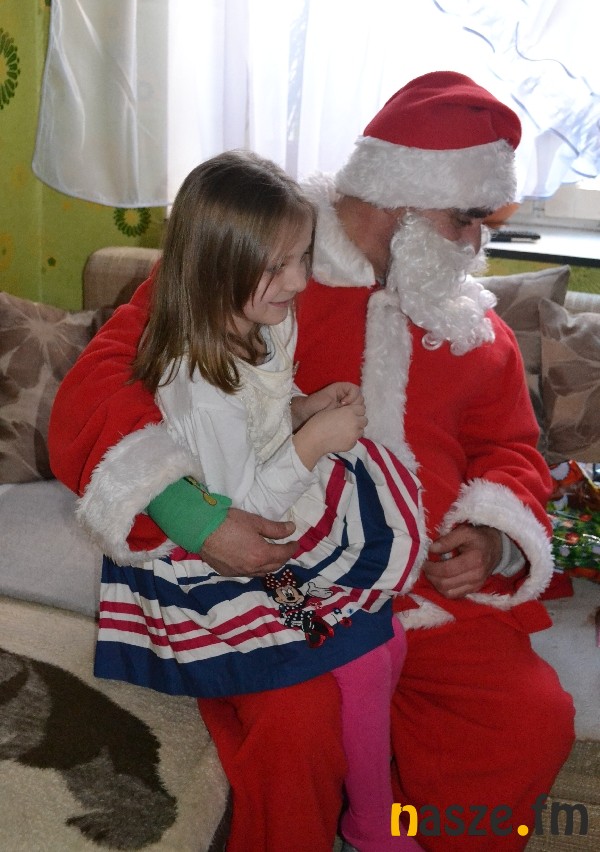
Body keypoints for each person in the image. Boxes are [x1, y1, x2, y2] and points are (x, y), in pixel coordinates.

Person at [49, 72, 575, 852]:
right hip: (276, 581)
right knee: (298, 726)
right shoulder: (256, 268)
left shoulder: (472, 325)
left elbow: (512, 449)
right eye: (464, 218)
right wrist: (197, 517)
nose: (475, 244)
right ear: (400, 198)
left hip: (429, 594)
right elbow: (105, 382)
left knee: (528, 720)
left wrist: (495, 535)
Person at [57, 150, 425, 852]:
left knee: (379, 638)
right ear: (219, 266)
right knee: (352, 652)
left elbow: (265, 408)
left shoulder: (257, 319)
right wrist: (313, 441)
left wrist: (301, 408)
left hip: (267, 551)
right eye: (280, 265)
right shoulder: (199, 384)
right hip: (220, 579)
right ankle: (371, 822)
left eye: (303, 258)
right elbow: (246, 504)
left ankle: (368, 815)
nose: (301, 280)